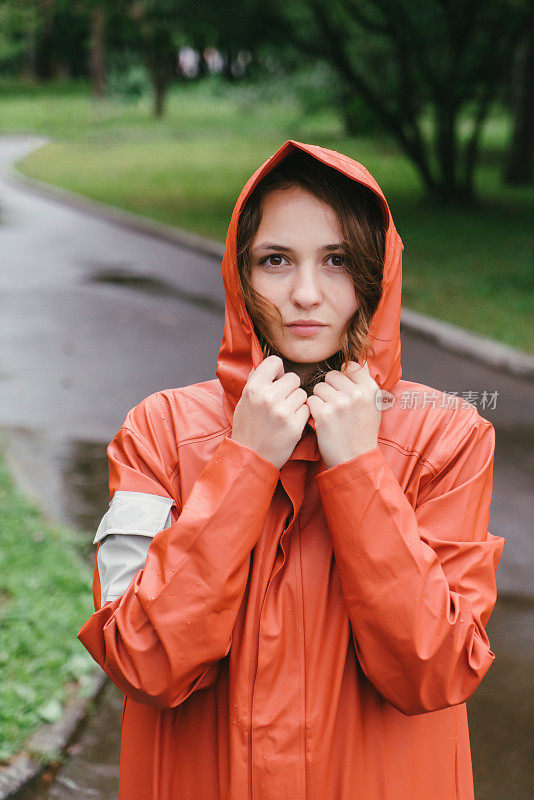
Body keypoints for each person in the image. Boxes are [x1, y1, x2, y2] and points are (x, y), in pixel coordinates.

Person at [78, 140, 505, 800]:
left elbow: (437, 671)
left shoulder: (446, 437)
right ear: (239, 273)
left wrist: (362, 469)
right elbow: (144, 662)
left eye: (336, 260)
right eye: (275, 260)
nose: (306, 294)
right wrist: (243, 465)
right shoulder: (158, 433)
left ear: (375, 274)